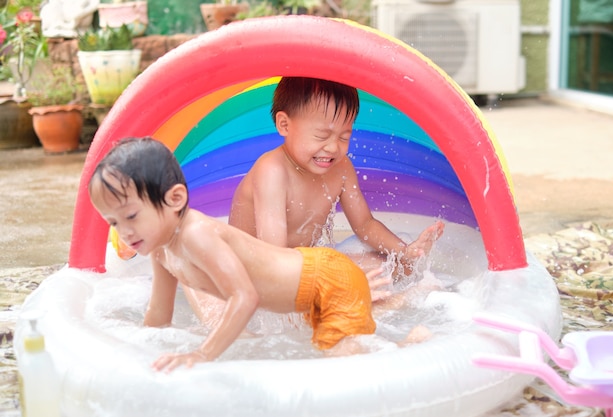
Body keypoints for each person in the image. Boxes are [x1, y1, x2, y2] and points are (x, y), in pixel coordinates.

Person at [88, 137, 391, 371]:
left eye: (131, 216)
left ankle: (412, 347)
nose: (124, 232)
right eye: (113, 222)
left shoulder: (196, 235)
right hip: (309, 287)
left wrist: (203, 353)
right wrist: (135, 353)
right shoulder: (163, 251)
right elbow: (158, 316)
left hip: (329, 279)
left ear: (175, 198)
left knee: (344, 365)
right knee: (333, 350)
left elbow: (245, 297)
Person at [229, 77, 445, 277]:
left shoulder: (341, 168)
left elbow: (365, 225)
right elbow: (273, 256)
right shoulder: (272, 172)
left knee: (393, 266)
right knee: (350, 277)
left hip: (298, 267)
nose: (333, 147)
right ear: (284, 125)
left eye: (344, 137)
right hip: (255, 275)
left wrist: (406, 252)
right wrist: (339, 281)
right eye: (321, 136)